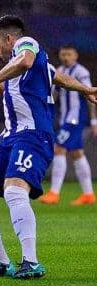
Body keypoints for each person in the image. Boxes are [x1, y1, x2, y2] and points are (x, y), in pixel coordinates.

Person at [0, 16, 97, 279]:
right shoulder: (28, 68)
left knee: (15, 190)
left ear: (10, 39)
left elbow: (25, 60)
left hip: (34, 135)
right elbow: (56, 76)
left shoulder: (26, 45)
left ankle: (31, 261)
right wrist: (84, 89)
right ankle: (0, 261)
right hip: (11, 137)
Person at [40, 45, 97, 205]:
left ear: (75, 55)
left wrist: (94, 121)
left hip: (75, 119)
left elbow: (90, 94)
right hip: (65, 119)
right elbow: (54, 94)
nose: (65, 57)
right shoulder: (58, 70)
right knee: (77, 153)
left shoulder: (81, 72)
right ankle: (88, 194)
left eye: (69, 54)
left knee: (58, 148)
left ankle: (54, 192)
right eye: (63, 54)